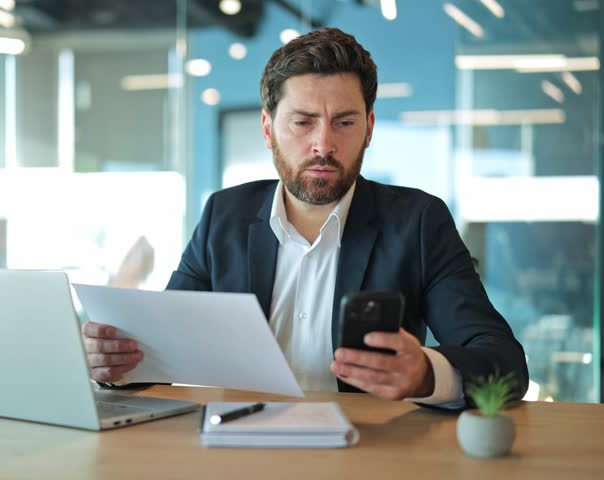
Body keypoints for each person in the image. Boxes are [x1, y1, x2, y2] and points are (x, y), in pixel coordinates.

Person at [82, 27, 528, 407]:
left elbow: (505, 363)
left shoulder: (417, 222)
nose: (323, 145)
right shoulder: (225, 215)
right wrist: (114, 364)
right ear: (267, 127)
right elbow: (164, 349)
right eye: (303, 122)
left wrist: (427, 374)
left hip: (366, 455)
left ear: (370, 128)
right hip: (239, 452)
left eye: (344, 123)